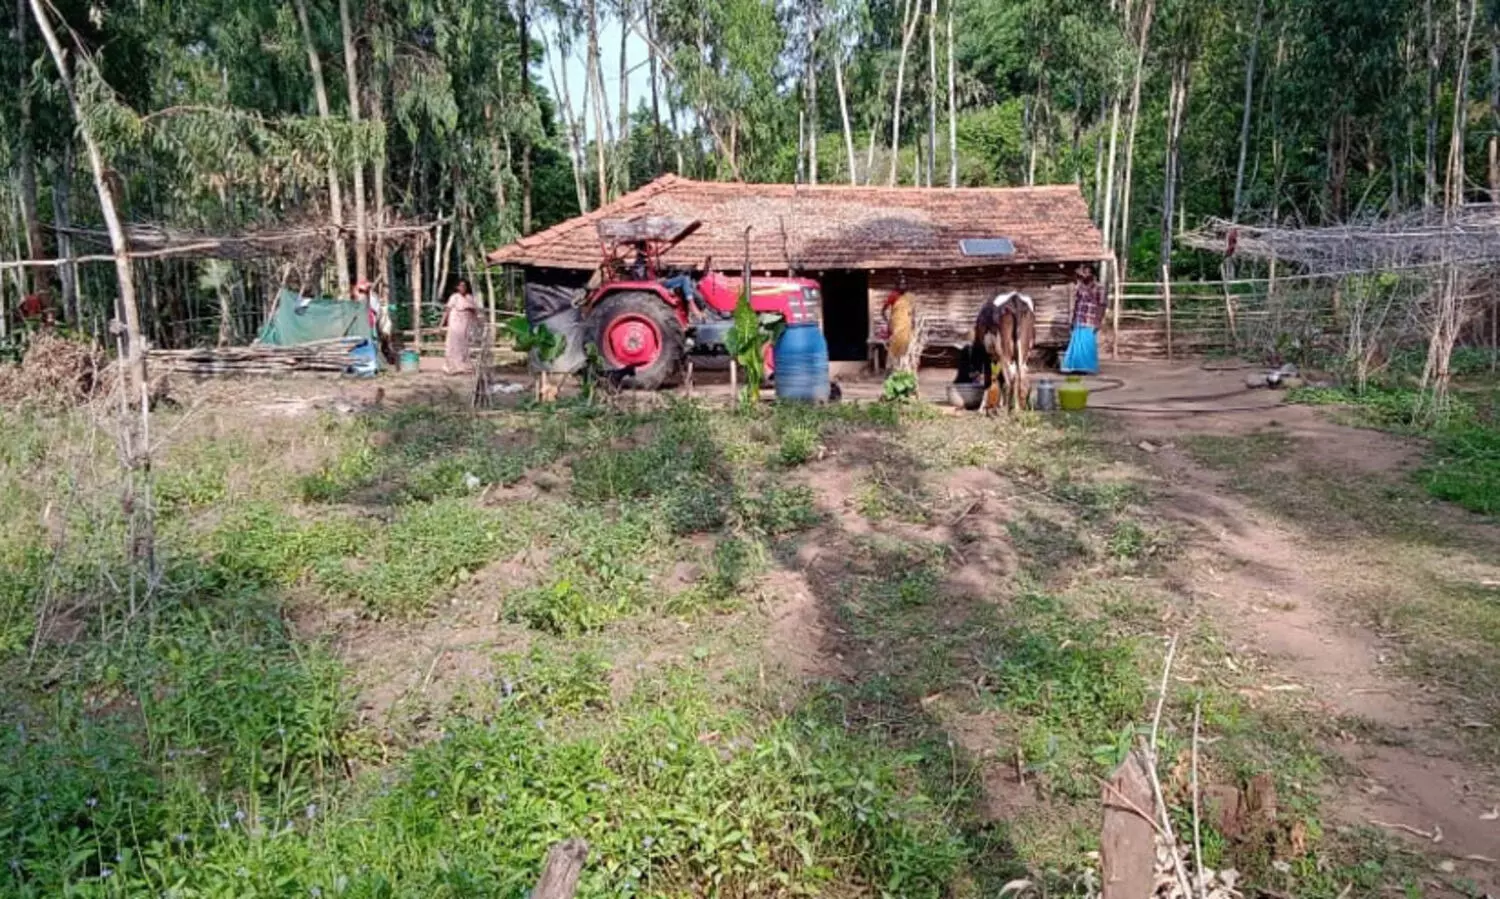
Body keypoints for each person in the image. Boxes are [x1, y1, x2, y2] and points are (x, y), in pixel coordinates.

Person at [1061, 264, 1103, 375]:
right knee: (1076, 344)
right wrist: (1073, 319)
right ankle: (1075, 367)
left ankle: (1086, 368)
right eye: (1084, 272)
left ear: (1093, 274)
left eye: (1088, 272)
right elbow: (1077, 304)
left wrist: (1098, 321)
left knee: (1087, 345)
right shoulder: (1080, 288)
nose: (1085, 275)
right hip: (1079, 319)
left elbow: (1102, 305)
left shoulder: (1099, 287)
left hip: (1090, 320)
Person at [441, 279, 481, 375]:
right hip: (455, 324)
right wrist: (442, 323)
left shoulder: (470, 298)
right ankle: (451, 367)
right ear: (457, 287)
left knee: (464, 345)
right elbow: (448, 310)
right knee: (453, 345)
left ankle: (463, 367)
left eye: (465, 286)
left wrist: (478, 321)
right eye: (461, 286)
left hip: (466, 325)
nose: (463, 288)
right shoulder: (454, 297)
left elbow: (474, 311)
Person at [356, 280, 397, 365]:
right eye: (360, 290)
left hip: (372, 323)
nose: (361, 293)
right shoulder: (360, 298)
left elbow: (377, 310)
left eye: (363, 291)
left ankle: (377, 360)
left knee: (376, 341)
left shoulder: (372, 298)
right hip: (363, 323)